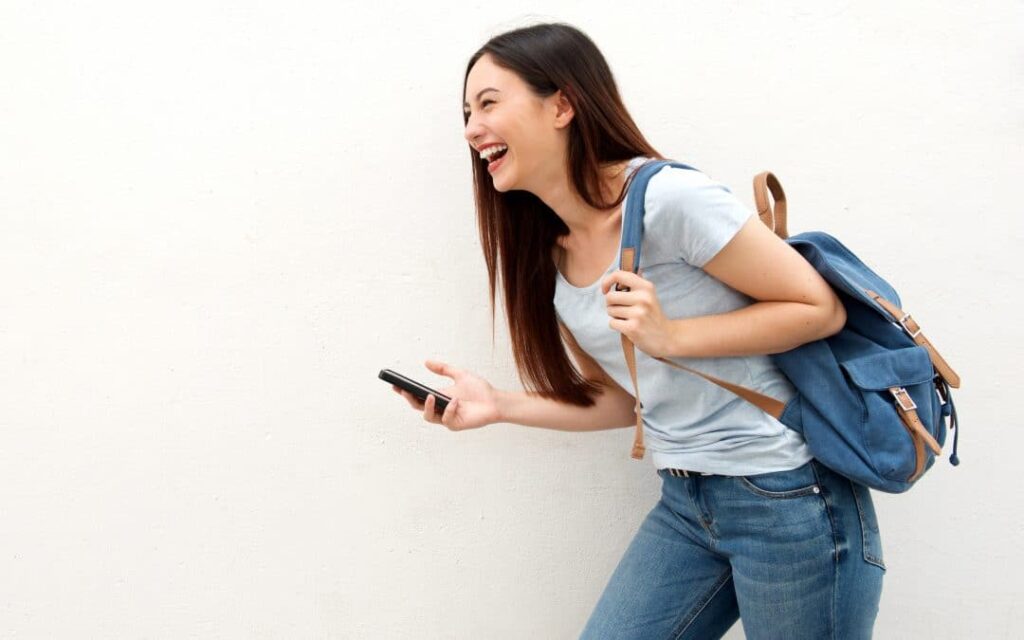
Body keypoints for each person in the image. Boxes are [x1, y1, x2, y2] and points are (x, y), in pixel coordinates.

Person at [391, 22, 885, 639]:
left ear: (563, 105)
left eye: (489, 103)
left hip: (789, 496)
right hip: (686, 503)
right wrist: (498, 406)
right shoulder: (555, 257)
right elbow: (626, 401)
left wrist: (672, 337)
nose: (470, 128)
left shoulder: (669, 200)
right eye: (466, 112)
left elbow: (818, 308)